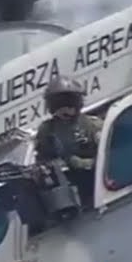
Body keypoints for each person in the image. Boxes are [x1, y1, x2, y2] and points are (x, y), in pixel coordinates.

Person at [33, 76, 102, 207]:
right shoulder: (47, 130)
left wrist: (84, 163)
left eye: (69, 102)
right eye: (58, 103)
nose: (64, 108)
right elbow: (42, 159)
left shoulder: (92, 126)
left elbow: (112, 155)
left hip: (95, 182)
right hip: (66, 190)